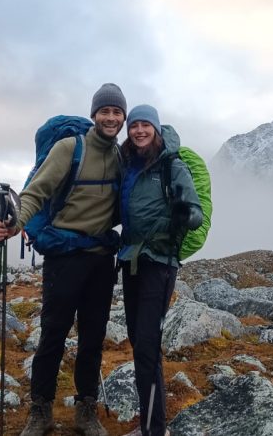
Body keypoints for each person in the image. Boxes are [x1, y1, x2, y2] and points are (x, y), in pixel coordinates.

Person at [0, 83, 127, 436]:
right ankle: (41, 411)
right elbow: (36, 193)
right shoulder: (70, 148)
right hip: (64, 258)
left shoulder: (121, 157)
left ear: (123, 118)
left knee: (93, 337)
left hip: (100, 258)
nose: (110, 118)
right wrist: (15, 225)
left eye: (116, 112)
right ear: (94, 115)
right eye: (104, 111)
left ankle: (86, 410)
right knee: (53, 334)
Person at [118, 105, 203, 436]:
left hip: (160, 263)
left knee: (147, 346)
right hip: (131, 260)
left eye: (145, 125)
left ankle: (154, 429)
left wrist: (186, 214)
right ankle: (150, 424)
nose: (139, 130)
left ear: (155, 129)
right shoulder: (128, 164)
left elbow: (194, 211)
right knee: (137, 340)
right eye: (134, 125)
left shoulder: (172, 165)